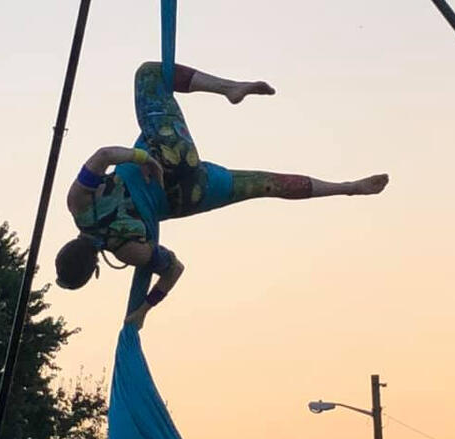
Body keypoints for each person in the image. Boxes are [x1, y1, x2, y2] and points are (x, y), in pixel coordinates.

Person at [56, 61, 388, 329]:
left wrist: (146, 308)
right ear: (66, 247)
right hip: (167, 152)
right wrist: (143, 159)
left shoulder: (129, 252)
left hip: (190, 194)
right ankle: (229, 88)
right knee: (150, 74)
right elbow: (103, 155)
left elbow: (174, 269)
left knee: (263, 184)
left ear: (94, 269)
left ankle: (348, 188)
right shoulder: (79, 205)